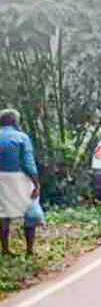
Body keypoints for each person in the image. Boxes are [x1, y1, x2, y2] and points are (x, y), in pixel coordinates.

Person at [0, 109, 40, 256]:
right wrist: (36, 184)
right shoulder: (21, 137)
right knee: (29, 212)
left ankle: (5, 249)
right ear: (13, 121)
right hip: (18, 179)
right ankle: (29, 250)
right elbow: (28, 163)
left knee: (3, 215)